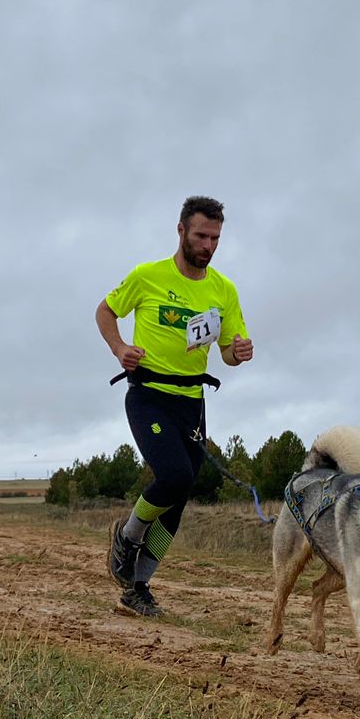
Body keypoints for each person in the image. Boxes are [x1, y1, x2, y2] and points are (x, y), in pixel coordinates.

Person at [95, 195, 255, 617]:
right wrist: (119, 348)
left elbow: (227, 353)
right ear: (181, 230)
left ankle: (137, 587)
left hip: (192, 402)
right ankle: (127, 538)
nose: (208, 244)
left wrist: (239, 351)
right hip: (148, 394)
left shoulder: (224, 290)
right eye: (201, 235)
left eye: (216, 238)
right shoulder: (148, 276)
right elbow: (105, 311)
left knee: (181, 496)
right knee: (174, 475)